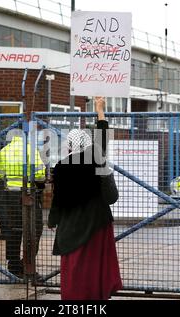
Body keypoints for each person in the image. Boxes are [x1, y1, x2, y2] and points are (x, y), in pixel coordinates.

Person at [47, 97, 123, 300]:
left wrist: (52, 220)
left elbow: (58, 199)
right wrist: (100, 110)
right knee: (95, 266)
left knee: (75, 268)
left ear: (70, 146)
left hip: (71, 226)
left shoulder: (61, 167)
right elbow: (104, 136)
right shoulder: (96, 159)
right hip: (97, 223)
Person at [0, 128, 46, 278]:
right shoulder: (30, 150)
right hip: (28, 194)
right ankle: (27, 266)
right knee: (34, 229)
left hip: (10, 195)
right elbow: (39, 173)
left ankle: (13, 265)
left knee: (13, 230)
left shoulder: (3, 151)